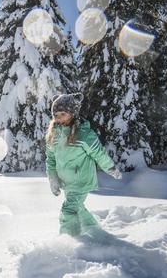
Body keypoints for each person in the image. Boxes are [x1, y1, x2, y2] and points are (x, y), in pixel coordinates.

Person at [45, 93, 122, 237]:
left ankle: (69, 241)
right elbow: (50, 159)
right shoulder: (53, 135)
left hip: (81, 180)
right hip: (67, 181)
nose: (58, 118)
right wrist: (53, 178)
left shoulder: (84, 134)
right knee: (78, 208)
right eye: (56, 114)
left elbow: (99, 153)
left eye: (63, 113)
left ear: (72, 113)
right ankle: (94, 230)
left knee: (69, 210)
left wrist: (110, 168)